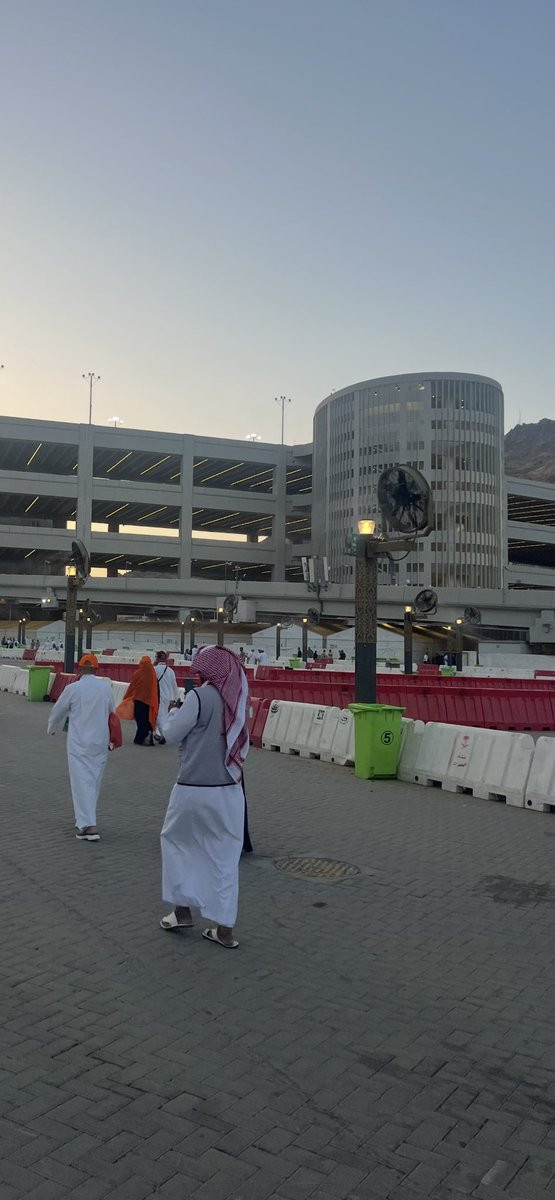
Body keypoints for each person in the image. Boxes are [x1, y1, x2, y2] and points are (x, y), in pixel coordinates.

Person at [159, 645, 250, 949]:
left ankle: (182, 911)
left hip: (192, 788)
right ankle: (224, 929)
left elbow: (171, 734)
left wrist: (173, 710)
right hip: (229, 791)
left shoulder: (199, 697)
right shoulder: (238, 699)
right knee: (225, 857)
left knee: (177, 844)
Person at [47, 653, 115, 841]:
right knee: (93, 781)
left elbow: (58, 710)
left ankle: (88, 825)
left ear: (79, 669)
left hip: (79, 743)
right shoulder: (106, 688)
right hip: (100, 742)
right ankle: (87, 819)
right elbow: (112, 713)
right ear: (96, 669)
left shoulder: (73, 688)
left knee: (80, 782)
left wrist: (51, 727)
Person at [117, 655, 159, 745]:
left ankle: (141, 738)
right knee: (148, 719)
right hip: (150, 701)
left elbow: (132, 686)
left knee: (140, 720)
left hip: (139, 700)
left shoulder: (138, 673)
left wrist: (126, 696)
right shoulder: (153, 674)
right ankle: (148, 737)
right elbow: (156, 689)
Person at [154, 650, 179, 744]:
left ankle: (163, 735)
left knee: (160, 716)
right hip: (168, 697)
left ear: (157, 658)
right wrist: (176, 698)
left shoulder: (154, 670)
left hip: (158, 696)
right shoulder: (170, 671)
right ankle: (160, 733)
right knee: (164, 715)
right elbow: (174, 686)